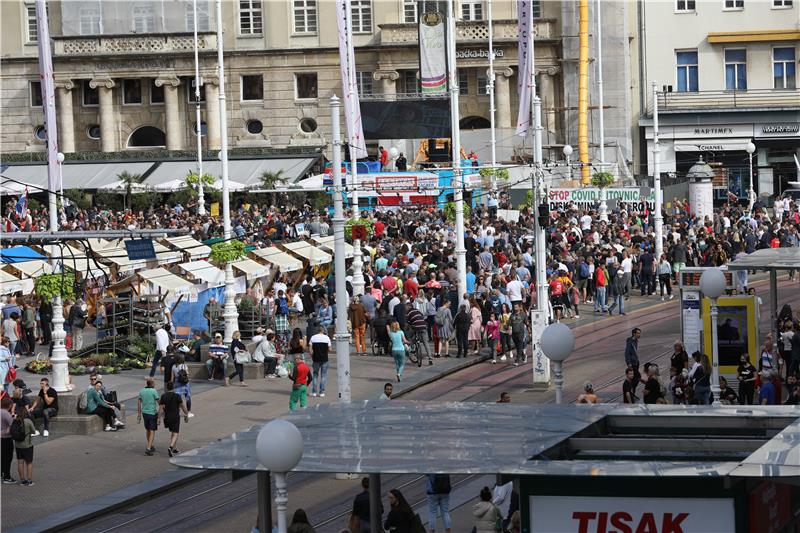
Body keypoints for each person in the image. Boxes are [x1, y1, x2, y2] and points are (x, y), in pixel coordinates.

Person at [159, 380, 189, 457]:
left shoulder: (163, 396)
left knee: (173, 432)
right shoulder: (177, 396)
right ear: (174, 387)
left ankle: (174, 448)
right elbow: (183, 406)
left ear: (167, 387)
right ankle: (170, 447)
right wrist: (186, 413)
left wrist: (158, 418)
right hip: (175, 416)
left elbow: (161, 409)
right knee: (175, 433)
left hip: (167, 417)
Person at [138, 377, 160, 456]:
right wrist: (161, 410)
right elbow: (159, 401)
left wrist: (139, 414)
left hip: (144, 413)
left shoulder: (142, 391)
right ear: (152, 384)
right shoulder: (153, 391)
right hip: (152, 413)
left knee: (147, 430)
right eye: (154, 383)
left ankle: (150, 445)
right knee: (152, 431)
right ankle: (148, 448)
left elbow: (139, 402)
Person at [12, 411, 36, 486]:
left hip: (18, 445)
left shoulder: (15, 420)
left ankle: (22, 480)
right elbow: (34, 431)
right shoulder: (28, 421)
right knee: (29, 463)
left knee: (20, 462)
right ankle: (29, 480)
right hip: (27, 445)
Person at [309, 326, 331, 398]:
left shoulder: (313, 337)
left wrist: (312, 354)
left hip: (316, 358)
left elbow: (310, 349)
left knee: (315, 375)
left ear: (317, 330)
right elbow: (330, 349)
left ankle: (314, 392)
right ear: (323, 331)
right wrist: (326, 351)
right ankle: (322, 392)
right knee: (323, 375)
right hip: (324, 358)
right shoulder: (327, 338)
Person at [1, 396, 15, 484]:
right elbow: (11, 425)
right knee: (7, 458)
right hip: (6, 438)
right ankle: (7, 476)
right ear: (9, 405)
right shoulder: (6, 414)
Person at [624, 328, 641, 396]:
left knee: (635, 378)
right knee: (637, 377)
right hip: (632, 363)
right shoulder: (630, 342)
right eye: (638, 333)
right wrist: (629, 363)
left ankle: (632, 392)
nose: (639, 334)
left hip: (636, 362)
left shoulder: (635, 341)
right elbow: (627, 353)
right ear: (634, 334)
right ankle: (631, 391)